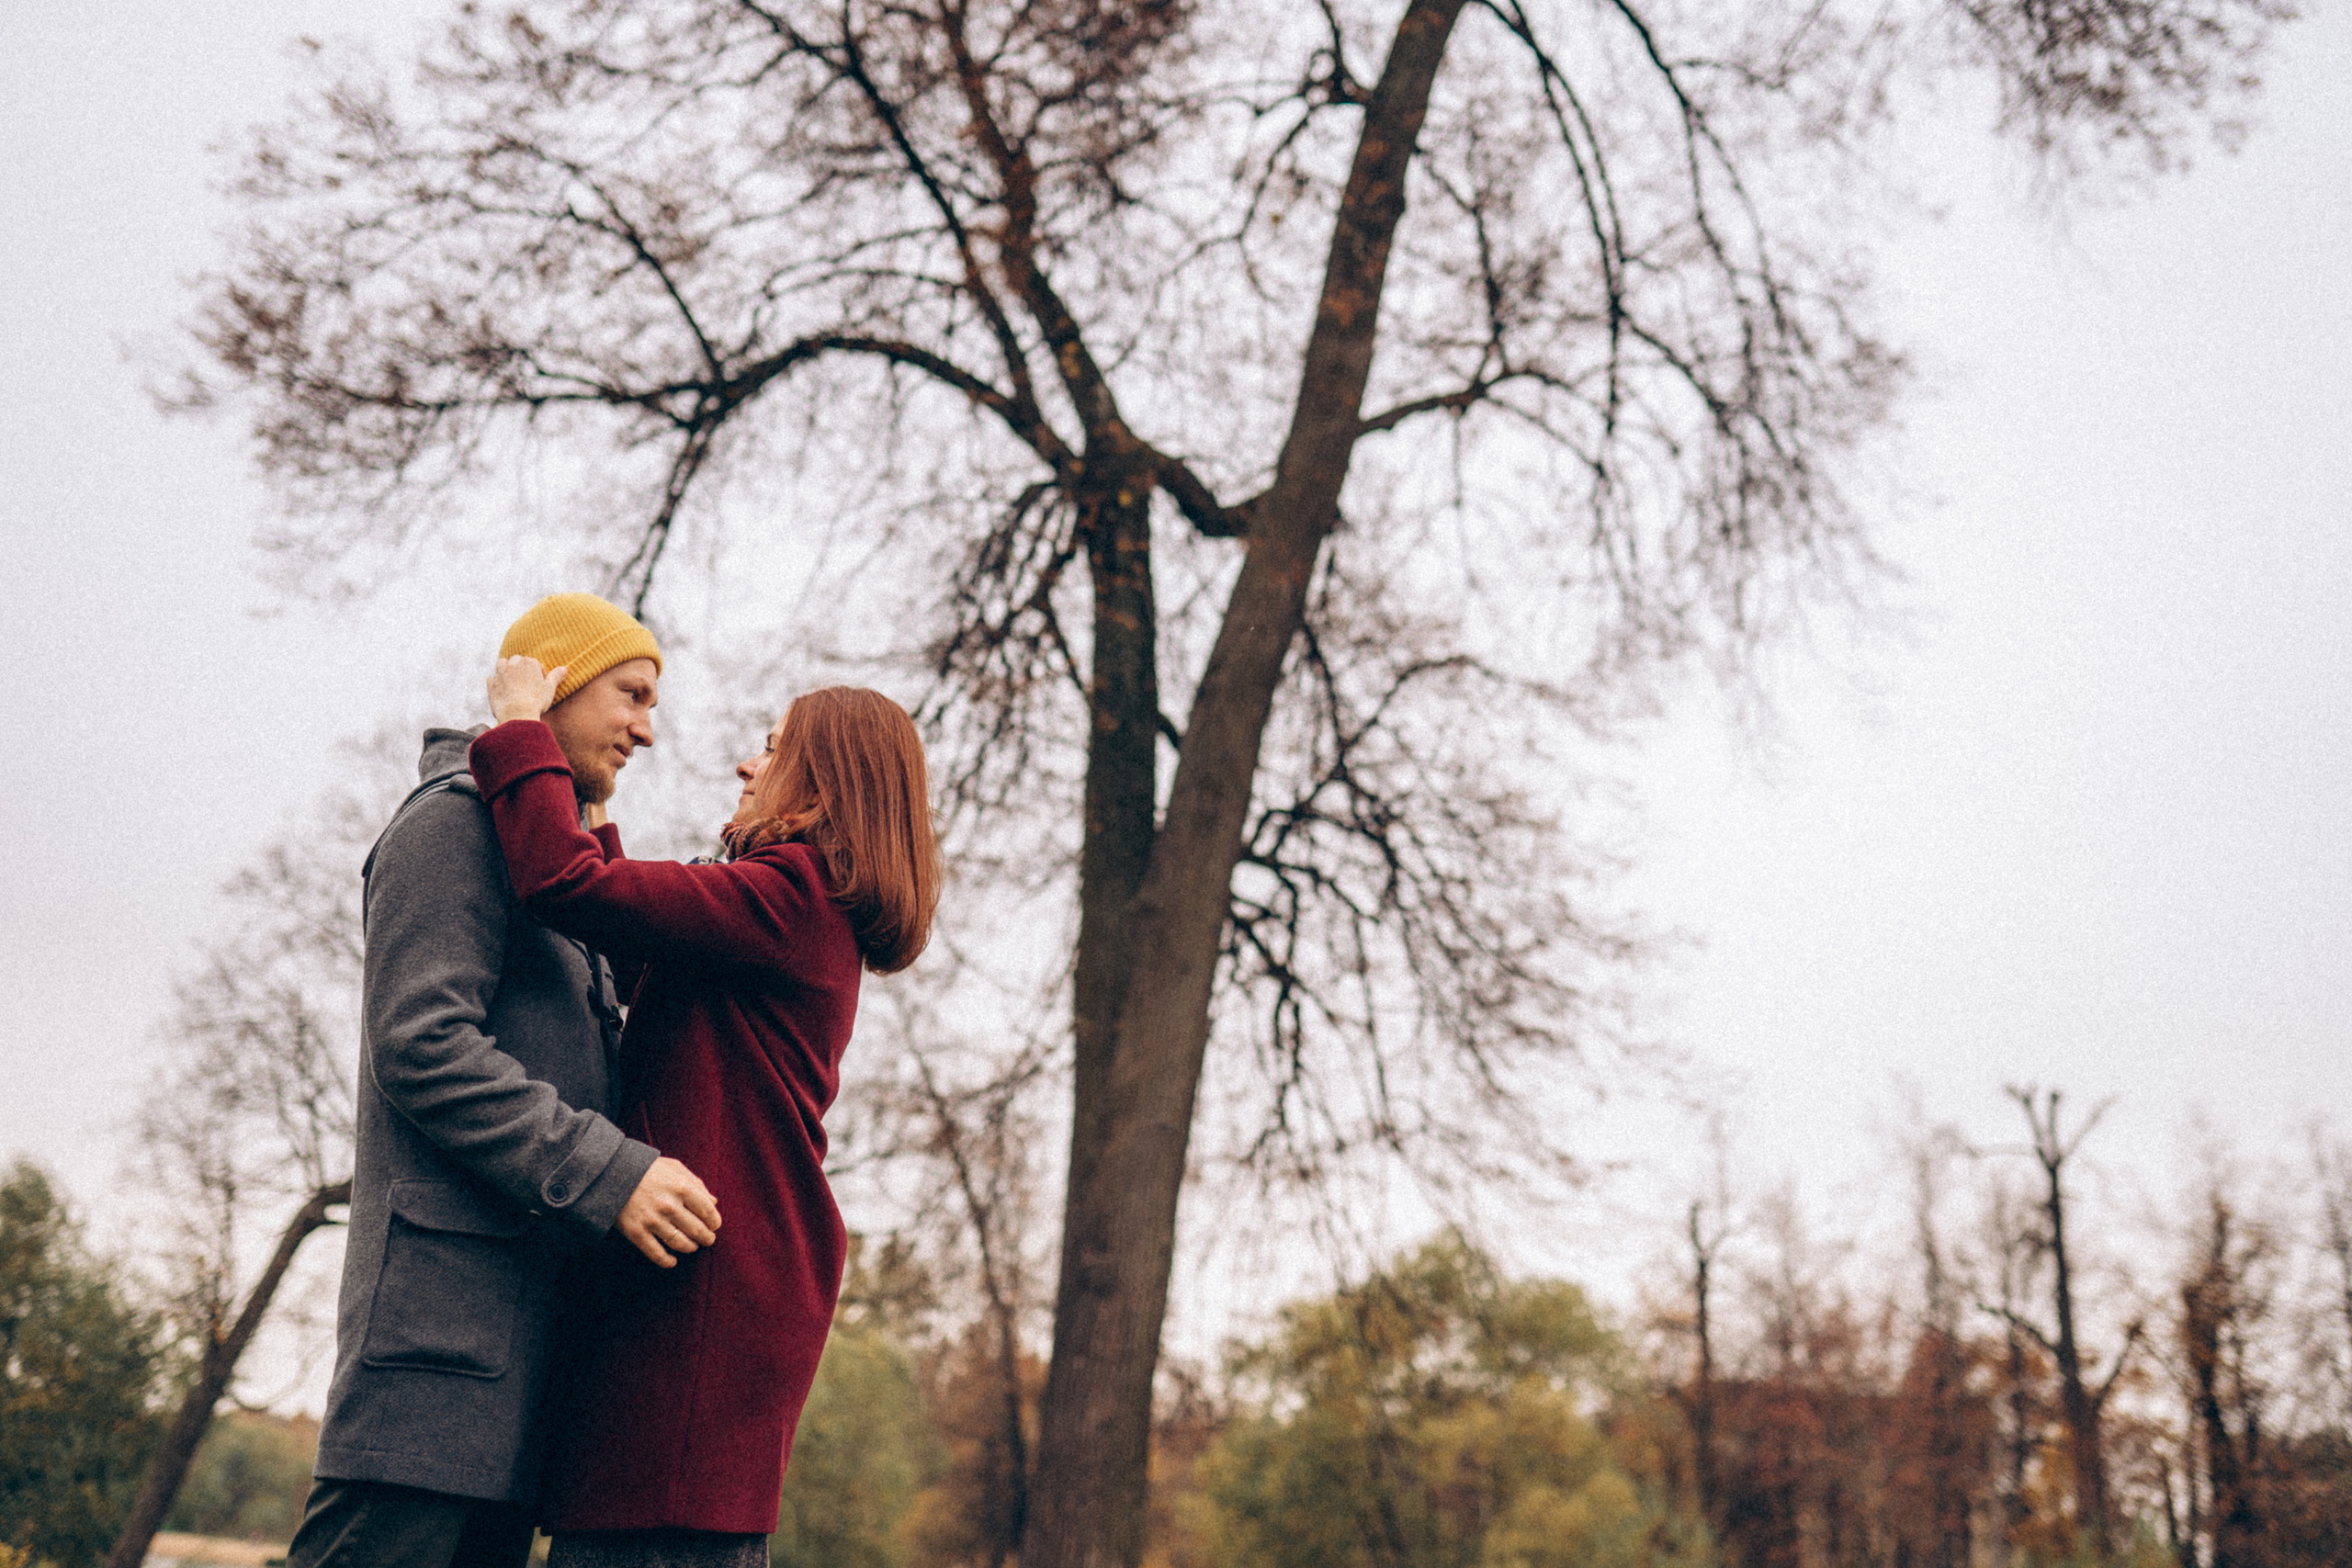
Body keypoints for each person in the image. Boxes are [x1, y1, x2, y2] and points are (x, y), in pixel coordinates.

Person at [468, 658, 941, 1566]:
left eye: (771, 752)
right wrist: (593, 809)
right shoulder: (779, 910)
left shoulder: (793, 897)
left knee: (650, 1535)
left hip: (712, 1298)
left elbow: (565, 888)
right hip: (715, 1283)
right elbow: (632, 953)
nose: (747, 770)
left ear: (819, 785)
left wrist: (524, 732)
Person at [289, 595, 725, 1568]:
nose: (648, 729)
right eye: (633, 694)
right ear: (557, 682)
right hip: (430, 1385)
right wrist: (614, 1176)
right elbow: (421, 1044)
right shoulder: (451, 827)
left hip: (517, 1401)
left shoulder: (544, 862)